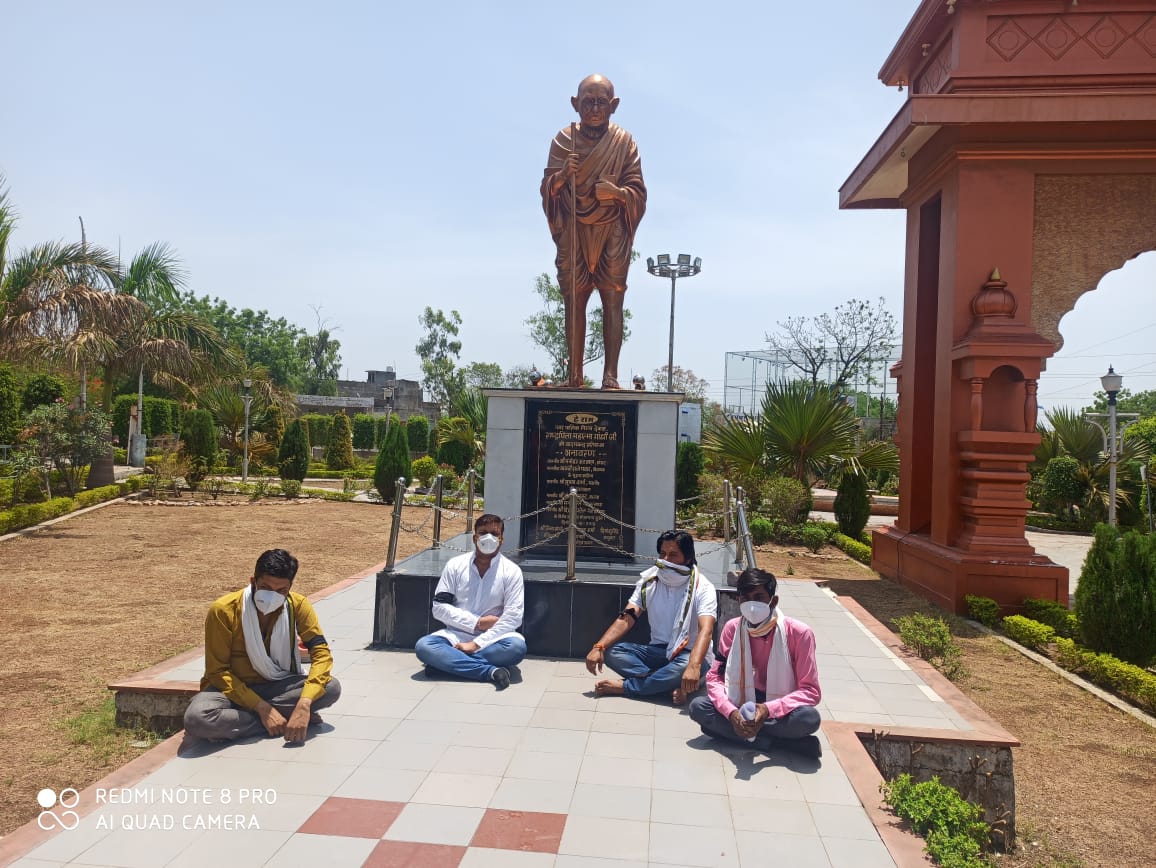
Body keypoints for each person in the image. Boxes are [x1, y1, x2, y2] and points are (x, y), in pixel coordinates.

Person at [541, 73, 647, 389]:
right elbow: (547, 190)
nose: (595, 108)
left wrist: (617, 193)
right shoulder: (563, 140)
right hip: (574, 227)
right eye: (588, 101)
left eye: (602, 102)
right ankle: (574, 375)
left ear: (613, 106)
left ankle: (610, 375)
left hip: (612, 229)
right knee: (574, 298)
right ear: (576, 104)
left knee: (613, 298)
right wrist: (561, 176)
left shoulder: (624, 142)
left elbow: (638, 192)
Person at [184, 549, 340, 743]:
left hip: (276, 684)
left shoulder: (297, 605)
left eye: (280, 591)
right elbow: (217, 671)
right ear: (253, 582)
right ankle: (276, 719)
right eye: (265, 587)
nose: (272, 596)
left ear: (289, 588)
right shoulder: (224, 610)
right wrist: (262, 708)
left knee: (331, 687)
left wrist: (304, 703)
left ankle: (248, 722)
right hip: (230, 690)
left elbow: (321, 653)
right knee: (197, 719)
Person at [689, 568, 823, 759]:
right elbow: (715, 676)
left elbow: (811, 691)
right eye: (746, 598)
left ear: (773, 601)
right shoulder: (732, 628)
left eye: (759, 597)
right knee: (698, 707)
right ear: (738, 600)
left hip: (780, 704)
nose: (752, 605)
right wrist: (731, 713)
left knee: (809, 718)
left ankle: (736, 734)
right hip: (742, 700)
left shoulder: (800, 634)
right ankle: (780, 743)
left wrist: (769, 710)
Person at [586, 529, 716, 704]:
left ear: (688, 558)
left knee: (683, 666)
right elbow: (628, 616)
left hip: (689, 654)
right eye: (663, 554)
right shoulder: (649, 581)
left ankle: (629, 687)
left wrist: (693, 666)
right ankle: (666, 685)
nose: (666, 560)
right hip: (658, 652)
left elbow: (706, 630)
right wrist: (599, 647)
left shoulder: (703, 587)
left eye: (673, 555)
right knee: (613, 652)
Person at [415, 514, 527, 689]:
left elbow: (513, 618)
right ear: (475, 537)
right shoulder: (455, 565)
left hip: (495, 638)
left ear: (501, 539)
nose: (488, 537)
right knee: (424, 646)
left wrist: (476, 644)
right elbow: (439, 607)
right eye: (483, 532)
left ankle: (446, 665)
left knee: (516, 648)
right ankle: (490, 672)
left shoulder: (512, 571)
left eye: (494, 533)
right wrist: (477, 623)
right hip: (456, 635)